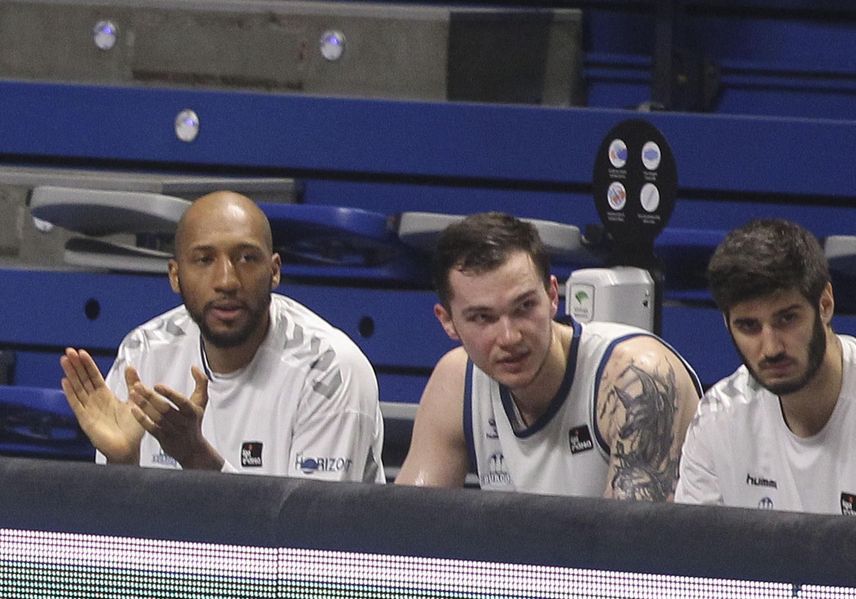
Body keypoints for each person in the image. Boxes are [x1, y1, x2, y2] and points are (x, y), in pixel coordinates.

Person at [59, 191, 384, 480]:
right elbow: (122, 525)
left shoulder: (330, 371)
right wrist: (123, 463)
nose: (227, 281)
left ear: (274, 271)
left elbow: (308, 526)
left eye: (246, 258)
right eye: (204, 260)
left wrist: (195, 456)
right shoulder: (143, 354)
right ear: (175, 276)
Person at [398, 212, 700, 499]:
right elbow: (406, 525)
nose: (509, 337)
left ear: (553, 295)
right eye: (482, 318)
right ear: (447, 321)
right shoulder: (457, 382)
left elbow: (634, 532)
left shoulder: (636, 378)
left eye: (524, 307)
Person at [677, 220, 856, 513]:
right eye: (749, 326)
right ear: (727, 324)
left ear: (824, 304)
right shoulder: (718, 418)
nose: (771, 348)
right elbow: (694, 543)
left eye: (787, 319)